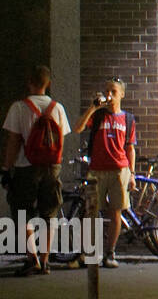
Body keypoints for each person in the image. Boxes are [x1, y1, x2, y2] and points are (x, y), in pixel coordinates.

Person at [2, 65, 72, 275]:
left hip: (26, 167)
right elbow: (61, 138)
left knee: (23, 212)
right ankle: (46, 259)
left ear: (29, 82)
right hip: (52, 167)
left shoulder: (19, 108)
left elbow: (13, 140)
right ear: (48, 83)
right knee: (50, 212)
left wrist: (7, 167)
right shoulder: (57, 108)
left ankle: (32, 258)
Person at [71, 79, 137, 268]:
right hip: (97, 170)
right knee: (91, 212)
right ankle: (86, 253)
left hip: (119, 170)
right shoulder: (98, 116)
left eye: (113, 91)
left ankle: (110, 253)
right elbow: (77, 128)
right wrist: (92, 109)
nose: (109, 94)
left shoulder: (128, 119)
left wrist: (131, 174)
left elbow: (130, 148)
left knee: (115, 212)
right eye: (107, 90)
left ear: (121, 94)